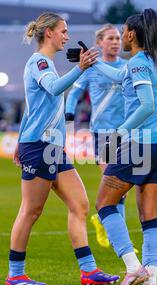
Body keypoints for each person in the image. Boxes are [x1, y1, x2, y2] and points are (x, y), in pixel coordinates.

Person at [6, 12, 119, 285]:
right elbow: (55, 88)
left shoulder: (48, 64)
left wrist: (19, 140)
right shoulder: (40, 62)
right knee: (31, 211)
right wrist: (80, 68)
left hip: (53, 147)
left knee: (79, 205)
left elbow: (31, 108)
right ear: (49, 34)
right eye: (63, 31)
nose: (67, 36)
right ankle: (15, 275)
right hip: (40, 147)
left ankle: (89, 271)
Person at [91, 8, 157, 285]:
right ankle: (150, 280)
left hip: (142, 144)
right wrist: (91, 63)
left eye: (124, 31)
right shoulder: (152, 60)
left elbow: (148, 104)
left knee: (104, 204)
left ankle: (132, 267)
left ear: (131, 34)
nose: (121, 36)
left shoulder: (138, 62)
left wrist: (120, 132)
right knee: (149, 216)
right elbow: (117, 74)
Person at [65, 24, 129, 250]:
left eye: (118, 38)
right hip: (104, 133)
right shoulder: (91, 68)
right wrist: (69, 117)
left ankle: (105, 223)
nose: (115, 42)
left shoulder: (127, 66)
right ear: (100, 42)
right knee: (114, 182)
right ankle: (117, 235)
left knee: (122, 187)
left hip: (127, 132)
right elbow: (74, 93)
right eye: (110, 38)